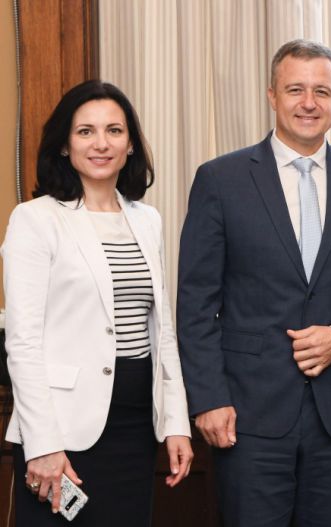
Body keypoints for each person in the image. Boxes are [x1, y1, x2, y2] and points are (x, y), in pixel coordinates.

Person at [177, 39, 331, 526]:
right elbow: (195, 302)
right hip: (246, 414)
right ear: (272, 95)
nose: (309, 102)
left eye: (322, 91)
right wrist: (209, 398)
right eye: (296, 89)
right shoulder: (220, 180)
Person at [2, 80, 193, 526]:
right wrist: (43, 444)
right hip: (62, 428)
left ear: (131, 144)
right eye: (85, 131)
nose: (101, 143)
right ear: (64, 145)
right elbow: (23, 342)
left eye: (114, 130)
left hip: (135, 424)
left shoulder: (147, 220)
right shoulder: (35, 219)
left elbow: (162, 330)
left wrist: (176, 423)